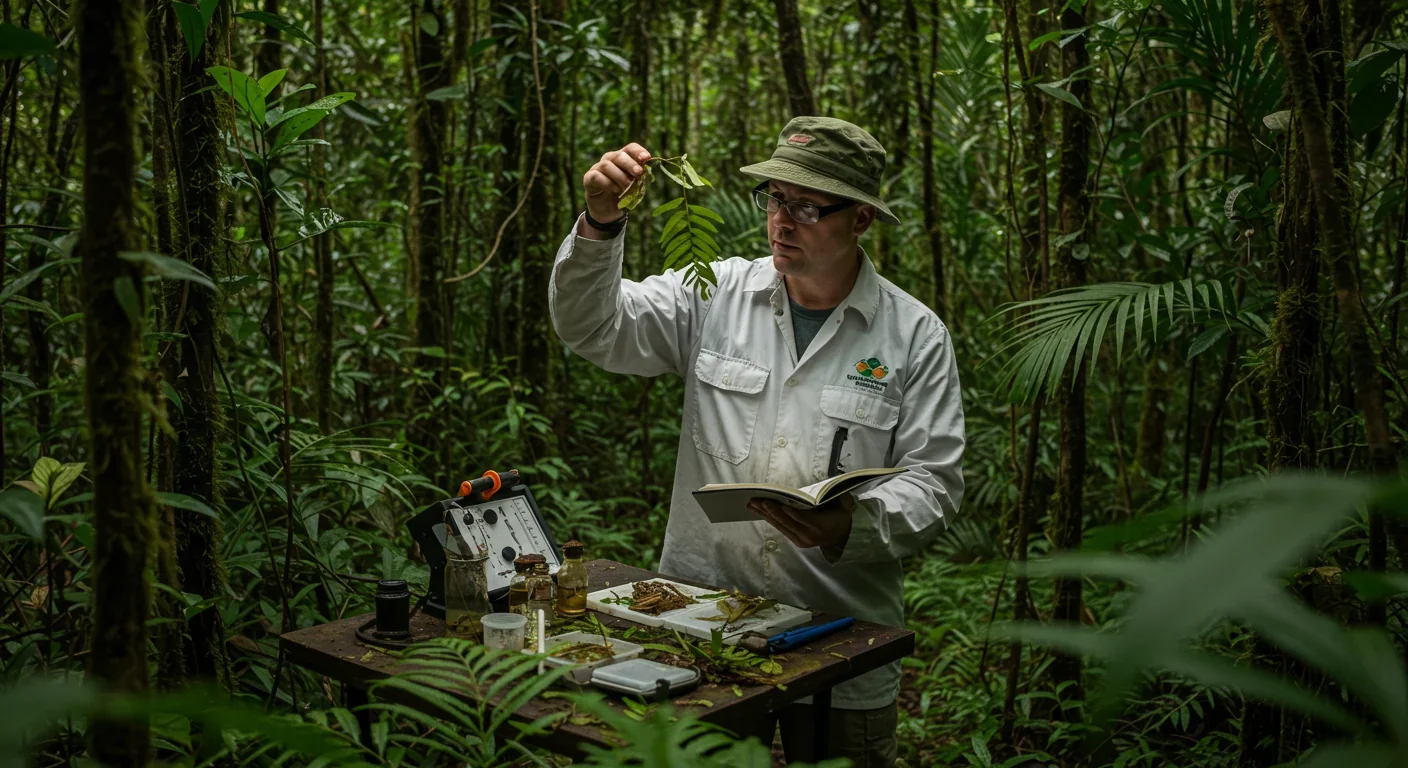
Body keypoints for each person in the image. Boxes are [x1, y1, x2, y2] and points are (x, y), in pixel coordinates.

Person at [549, 116, 965, 766]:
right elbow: (594, 328)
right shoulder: (713, 294)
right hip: (700, 625)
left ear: (860, 219)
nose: (782, 219)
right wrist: (600, 224)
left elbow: (934, 483)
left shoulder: (912, 335)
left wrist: (847, 525)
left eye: (806, 205)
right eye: (775, 197)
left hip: (840, 638)